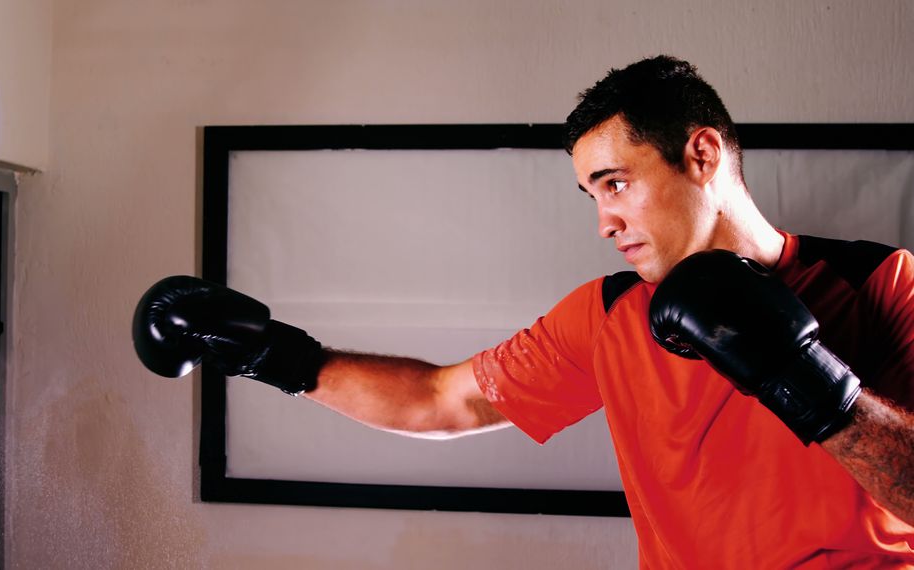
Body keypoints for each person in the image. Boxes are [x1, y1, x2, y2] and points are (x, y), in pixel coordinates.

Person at [133, 56, 914, 567]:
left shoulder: (881, 282)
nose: (603, 221)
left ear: (702, 154)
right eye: (591, 195)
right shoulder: (608, 317)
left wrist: (797, 372)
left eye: (615, 183)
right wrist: (273, 353)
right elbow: (442, 400)